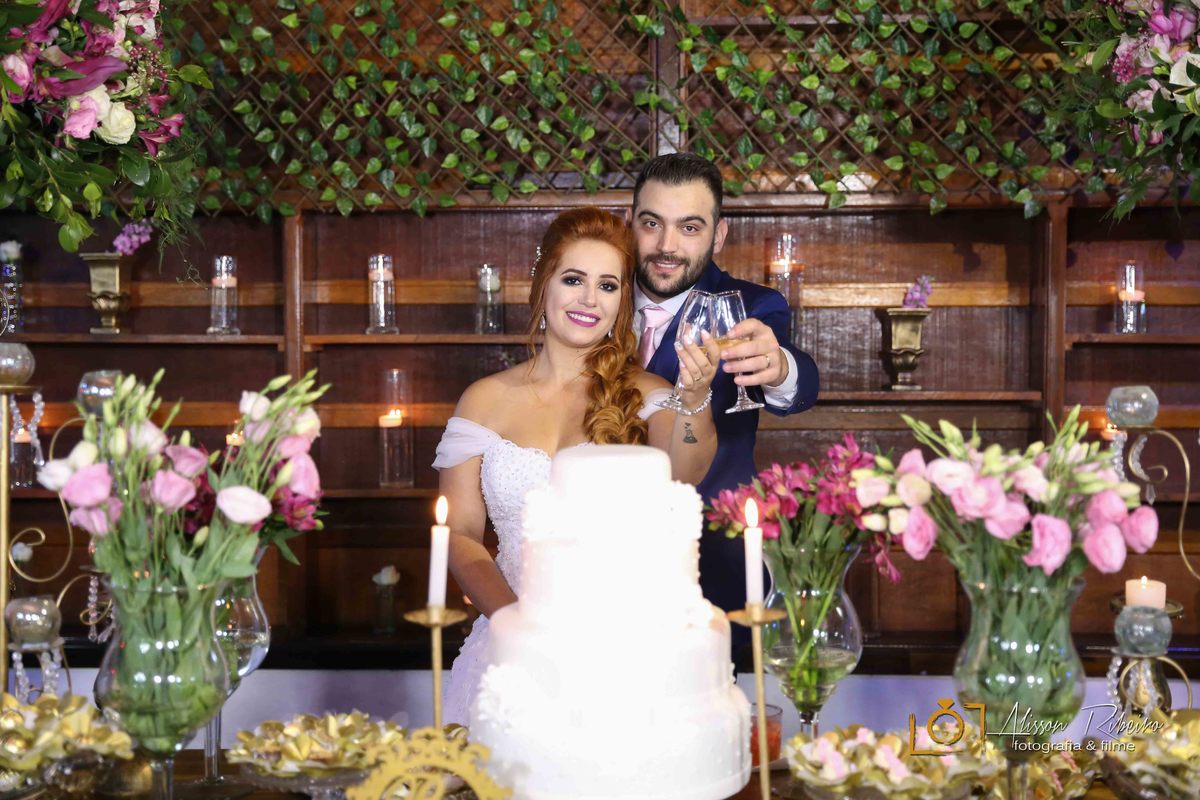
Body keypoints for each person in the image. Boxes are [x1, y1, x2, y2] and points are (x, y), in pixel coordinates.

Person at [433, 207, 722, 723]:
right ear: (543, 284)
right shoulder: (483, 400)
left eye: (607, 286)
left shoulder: (649, 394)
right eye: (574, 279)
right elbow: (460, 533)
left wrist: (695, 399)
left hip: (624, 653)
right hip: (508, 650)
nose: (590, 299)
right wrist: (515, 624)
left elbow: (687, 470)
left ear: (621, 302)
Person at [629, 153, 820, 640]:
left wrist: (780, 369)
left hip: (713, 565)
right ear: (631, 222)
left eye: (689, 227)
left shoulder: (752, 307)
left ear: (718, 235)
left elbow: (799, 378)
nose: (667, 245)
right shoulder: (595, 297)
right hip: (604, 566)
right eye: (652, 223)